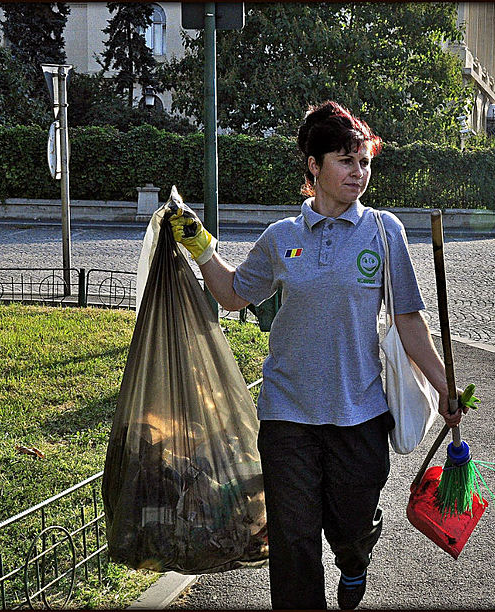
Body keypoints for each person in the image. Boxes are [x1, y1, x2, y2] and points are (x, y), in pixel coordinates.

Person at [169, 100, 467, 610]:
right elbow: (235, 294)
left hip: (360, 412)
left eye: (364, 161)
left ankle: (355, 558)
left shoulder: (384, 231)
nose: (359, 172)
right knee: (293, 540)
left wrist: (445, 386)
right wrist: (201, 248)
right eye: (346, 161)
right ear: (314, 165)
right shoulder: (282, 237)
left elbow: (409, 320)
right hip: (287, 413)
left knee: (349, 525)